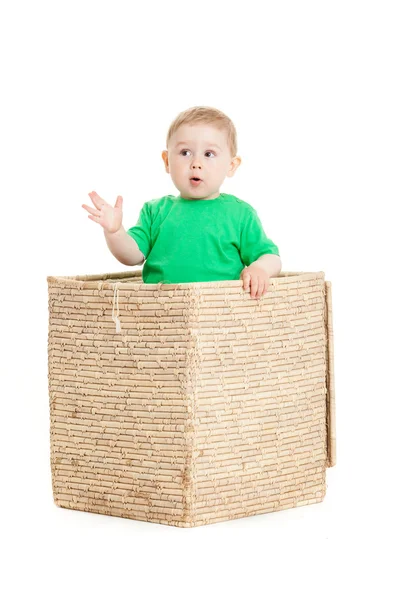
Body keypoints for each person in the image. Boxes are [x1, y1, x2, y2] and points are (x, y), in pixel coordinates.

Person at [82, 106, 282, 299]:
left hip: (220, 316)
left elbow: (271, 257)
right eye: (185, 152)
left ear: (231, 165)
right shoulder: (155, 211)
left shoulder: (240, 214)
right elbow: (132, 256)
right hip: (161, 316)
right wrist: (115, 232)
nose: (196, 163)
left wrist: (259, 268)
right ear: (167, 161)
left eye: (209, 154)